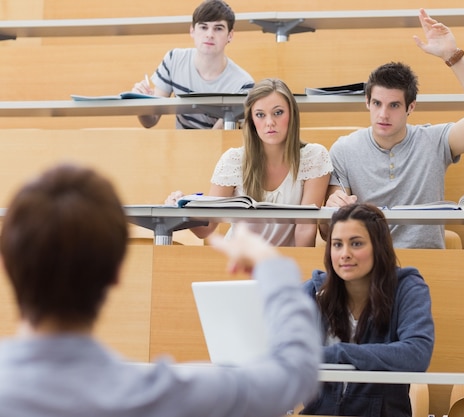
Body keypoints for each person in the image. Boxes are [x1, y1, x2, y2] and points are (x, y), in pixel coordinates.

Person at [0, 163, 320, 417]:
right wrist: (269, 265)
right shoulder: (161, 395)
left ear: (8, 265)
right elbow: (295, 374)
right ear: (116, 273)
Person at [323, 8, 464, 249]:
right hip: (369, 266)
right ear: (367, 102)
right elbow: (326, 232)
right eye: (377, 103)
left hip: (427, 265)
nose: (383, 114)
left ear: (411, 107)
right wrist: (332, 208)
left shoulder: (435, 141)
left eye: (394, 105)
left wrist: (453, 57)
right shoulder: (344, 149)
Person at [301, 203, 434, 417]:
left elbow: (416, 354)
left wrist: (339, 353)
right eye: (337, 245)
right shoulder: (313, 291)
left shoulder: (407, 288)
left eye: (356, 243)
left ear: (378, 247)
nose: (344, 254)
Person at [166, 78, 333, 247]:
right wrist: (181, 209)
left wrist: (296, 271)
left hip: (285, 264)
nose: (269, 122)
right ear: (252, 121)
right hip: (239, 262)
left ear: (292, 114)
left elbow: (305, 229)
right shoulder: (233, 160)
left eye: (278, 112)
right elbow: (206, 229)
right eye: (260, 115)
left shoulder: (314, 157)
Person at [132, 0, 254, 129]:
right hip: (181, 144)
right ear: (192, 31)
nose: (209, 35)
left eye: (218, 29)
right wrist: (142, 102)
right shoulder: (174, 59)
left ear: (230, 35)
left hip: (219, 146)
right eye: (203, 27)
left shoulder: (243, 84)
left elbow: (217, 137)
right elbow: (150, 121)